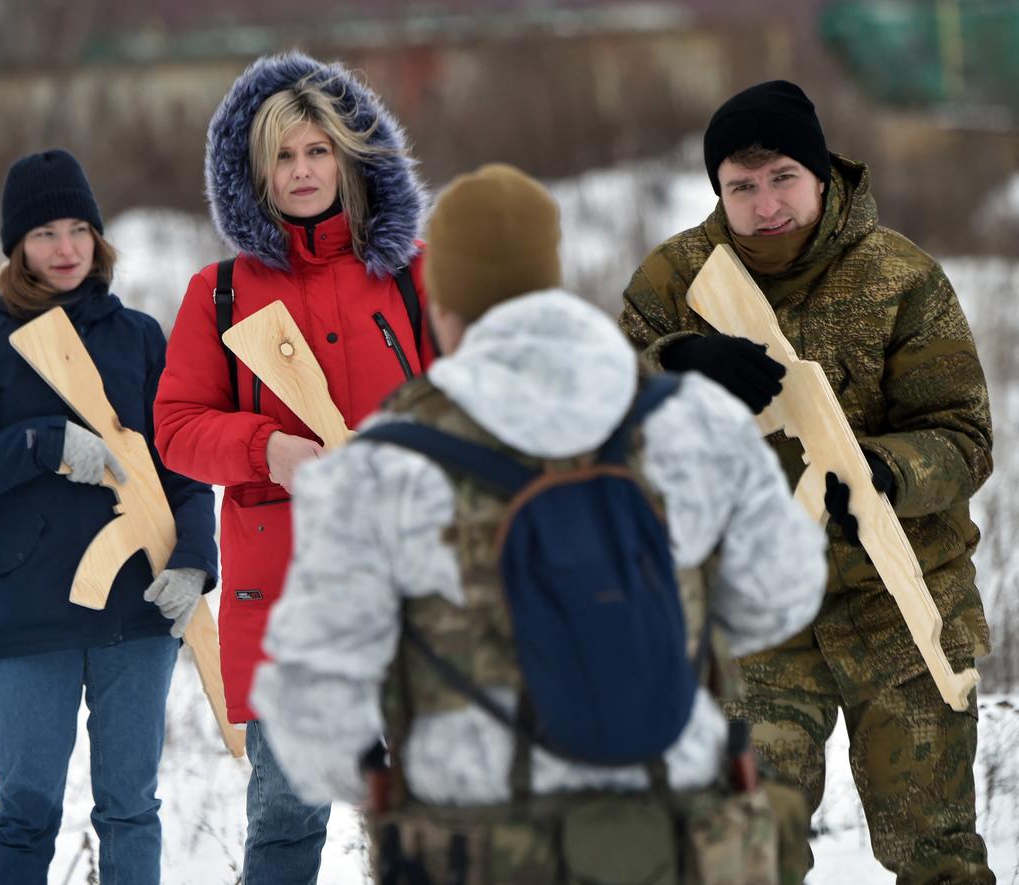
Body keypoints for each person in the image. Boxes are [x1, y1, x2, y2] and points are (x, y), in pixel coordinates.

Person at [248, 163, 827, 883]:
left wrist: (389, 778)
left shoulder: (378, 467)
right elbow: (782, 594)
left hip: (475, 848)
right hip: (676, 838)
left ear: (442, 304)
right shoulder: (693, 419)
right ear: (550, 280)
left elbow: (310, 705)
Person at [619, 80, 995, 883]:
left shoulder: (901, 277)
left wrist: (886, 475)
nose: (765, 203)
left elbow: (964, 437)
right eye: (741, 185)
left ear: (822, 173)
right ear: (718, 189)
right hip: (751, 619)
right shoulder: (676, 278)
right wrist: (675, 366)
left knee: (939, 858)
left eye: (783, 175)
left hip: (899, 602)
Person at [153, 52, 435, 884]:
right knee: (285, 819)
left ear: (349, 158)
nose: (303, 171)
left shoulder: (413, 273)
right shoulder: (221, 294)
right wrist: (265, 449)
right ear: (255, 171)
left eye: (319, 152)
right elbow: (175, 426)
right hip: (285, 600)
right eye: (284, 155)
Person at [0, 149, 217, 885]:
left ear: (98, 237)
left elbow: (181, 464)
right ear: (17, 247)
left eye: (78, 229)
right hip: (32, 619)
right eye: (45, 233)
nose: (65, 249)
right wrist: (42, 443)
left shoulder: (141, 338)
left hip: (136, 612)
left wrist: (193, 558)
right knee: (27, 812)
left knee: (130, 809)